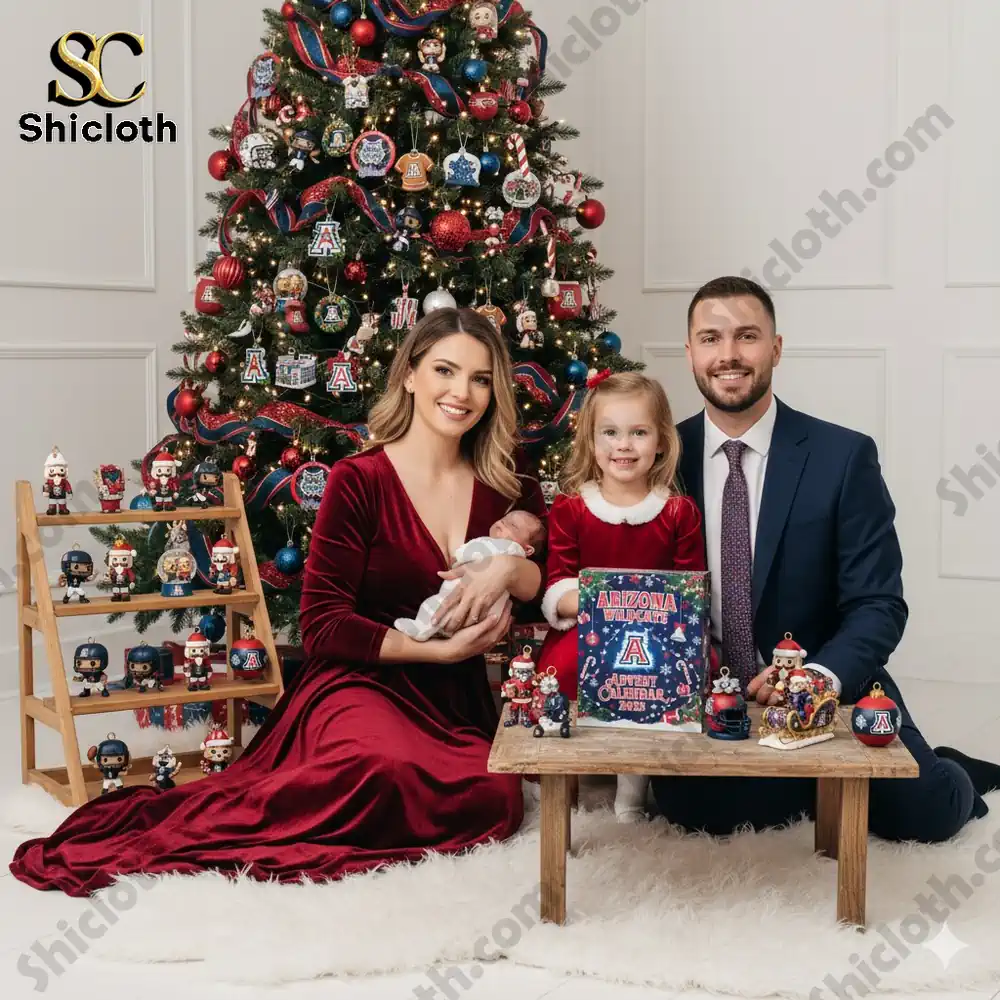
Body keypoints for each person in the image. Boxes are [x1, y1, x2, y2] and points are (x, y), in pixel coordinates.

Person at [10, 308, 548, 896]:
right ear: (411, 375)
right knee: (379, 769)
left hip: (454, 701)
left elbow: (542, 591)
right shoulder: (359, 479)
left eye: (479, 378)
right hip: (361, 682)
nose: (461, 392)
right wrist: (437, 653)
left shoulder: (508, 477)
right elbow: (322, 625)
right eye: (445, 370)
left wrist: (505, 568)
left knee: (494, 798)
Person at [650, 276, 1000, 841]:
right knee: (693, 812)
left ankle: (953, 768)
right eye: (711, 339)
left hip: (828, 681)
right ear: (690, 352)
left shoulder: (842, 456)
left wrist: (816, 678)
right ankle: (805, 782)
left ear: (776, 348)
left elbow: (878, 604)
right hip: (715, 694)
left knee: (923, 816)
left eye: (747, 336)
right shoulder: (660, 457)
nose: (729, 355)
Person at [536, 371, 706, 822]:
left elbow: (689, 594)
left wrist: (646, 613)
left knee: (658, 675)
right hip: (588, 630)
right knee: (565, 667)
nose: (623, 445)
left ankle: (633, 788)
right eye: (610, 433)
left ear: (661, 442)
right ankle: (563, 783)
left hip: (658, 637)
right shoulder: (571, 509)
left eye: (638, 432)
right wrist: (612, 603)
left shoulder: (677, 512)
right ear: (592, 443)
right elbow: (559, 588)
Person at [396, 509, 546, 641]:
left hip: (470, 599)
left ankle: (421, 629)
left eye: (513, 526)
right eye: (504, 519)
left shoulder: (508, 547)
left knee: (435, 607)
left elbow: (474, 549)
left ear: (528, 550)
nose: (502, 523)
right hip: (486, 611)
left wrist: (460, 556)